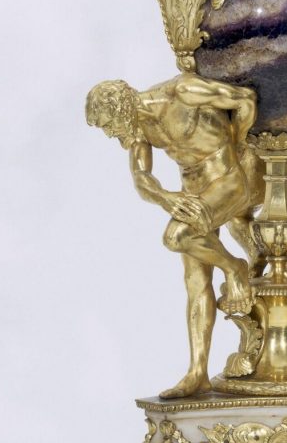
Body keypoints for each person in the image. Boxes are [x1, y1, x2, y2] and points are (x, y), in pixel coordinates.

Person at [86, 73, 258, 398]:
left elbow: (245, 99)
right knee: (195, 281)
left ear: (121, 108)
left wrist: (237, 147)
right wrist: (168, 198)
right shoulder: (139, 129)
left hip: (227, 179)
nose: (110, 134)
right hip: (192, 192)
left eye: (109, 126)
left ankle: (235, 267)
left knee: (176, 237)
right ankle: (197, 373)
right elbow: (142, 179)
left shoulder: (182, 92)